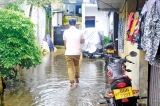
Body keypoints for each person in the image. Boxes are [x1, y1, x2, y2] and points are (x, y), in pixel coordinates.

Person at [63, 19, 85, 88]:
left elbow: (65, 44)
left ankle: (72, 84)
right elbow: (82, 41)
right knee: (77, 65)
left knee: (70, 68)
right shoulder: (80, 32)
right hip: (77, 52)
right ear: (75, 24)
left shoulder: (65, 32)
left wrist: (67, 49)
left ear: (69, 24)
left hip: (69, 52)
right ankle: (77, 78)